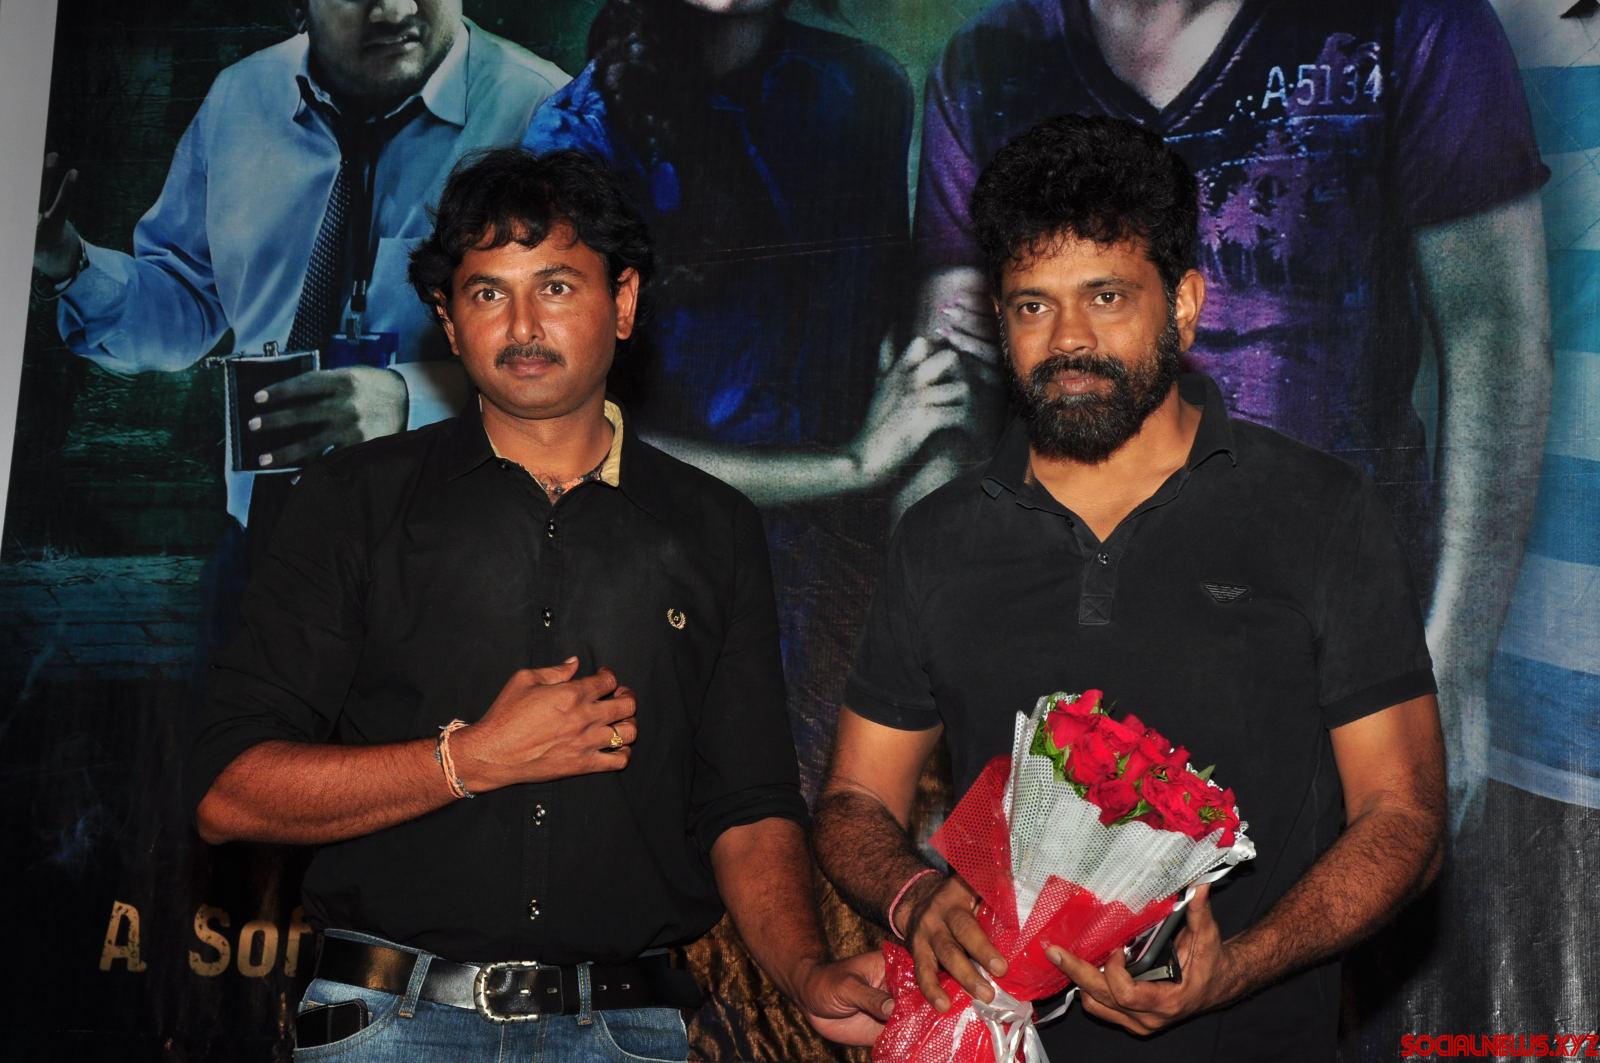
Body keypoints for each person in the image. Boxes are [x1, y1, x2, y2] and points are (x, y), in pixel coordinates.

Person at [188, 147, 891, 1061]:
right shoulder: (353, 500)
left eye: (556, 285)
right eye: (488, 292)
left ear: (624, 301)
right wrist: (469, 759)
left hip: (625, 1031)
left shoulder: (712, 526)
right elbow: (230, 791)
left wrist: (805, 971)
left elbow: (748, 803)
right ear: (447, 319)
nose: (522, 325)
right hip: (388, 1024)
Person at [813, 115, 1447, 1061]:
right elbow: (855, 799)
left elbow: (1406, 819)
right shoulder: (941, 538)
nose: (1068, 339)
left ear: (1183, 306)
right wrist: (914, 896)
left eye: (1105, 296)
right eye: (1033, 305)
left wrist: (1240, 964)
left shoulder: (1318, 511)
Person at [905, 0, 1551, 822]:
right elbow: (949, 401)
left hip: (1340, 658)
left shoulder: (1409, 22)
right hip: (1068, 680)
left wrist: (1454, 661)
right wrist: (934, 693)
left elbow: (1496, 333)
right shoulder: (989, 62)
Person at [524, 0, 968, 796]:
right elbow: (583, 442)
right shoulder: (576, 137)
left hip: (839, 569)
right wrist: (850, 466)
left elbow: (886, 338)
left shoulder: (861, 90)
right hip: (656, 572)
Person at [32, 0, 568, 532]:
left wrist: (414, 402)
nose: (395, 9)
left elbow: (589, 361)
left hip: (454, 544)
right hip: (266, 531)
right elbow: (184, 302)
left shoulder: (544, 113)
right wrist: (66, 262)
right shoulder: (239, 98)